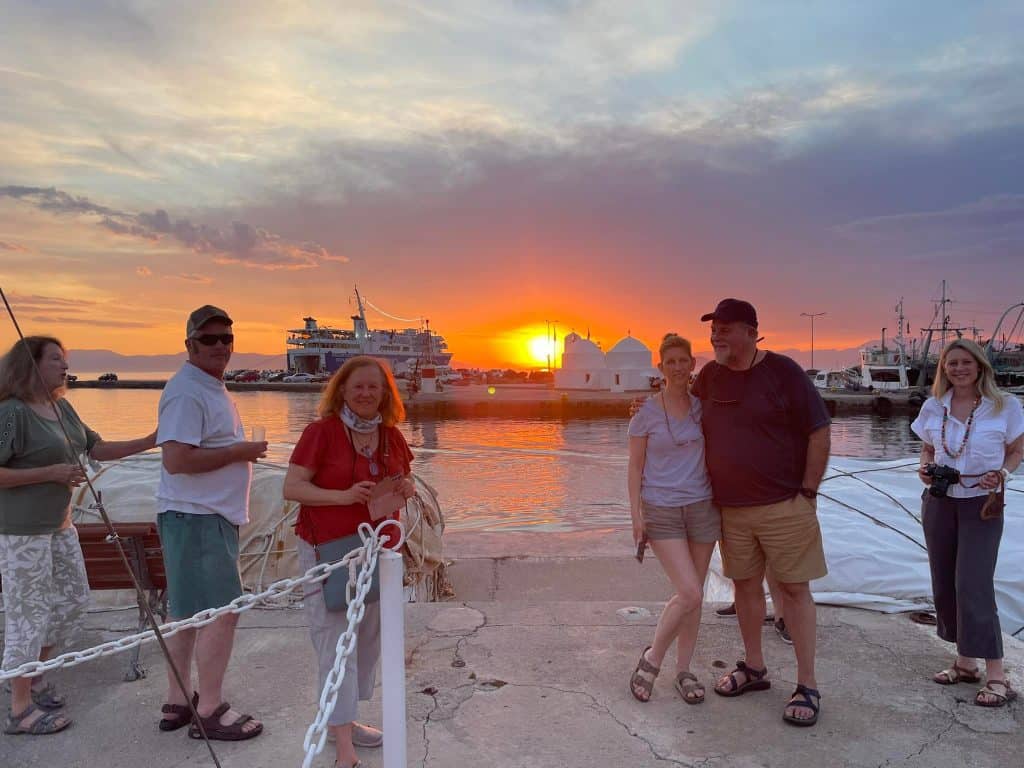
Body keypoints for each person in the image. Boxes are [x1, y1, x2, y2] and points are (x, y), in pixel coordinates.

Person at [0, 336, 155, 735]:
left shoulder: (62, 408)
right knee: (27, 614)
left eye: (64, 359)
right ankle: (19, 709)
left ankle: (33, 674)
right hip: (21, 533)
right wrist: (48, 474)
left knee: (71, 603)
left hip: (60, 525)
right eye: (55, 359)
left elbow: (96, 448)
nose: (64, 366)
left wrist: (151, 440)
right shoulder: (12, 413)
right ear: (29, 365)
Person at [691, 299, 831, 726]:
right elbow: (684, 423)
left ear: (752, 331)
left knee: (793, 591)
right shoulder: (709, 377)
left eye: (726, 328)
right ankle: (754, 667)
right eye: (714, 328)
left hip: (784, 506)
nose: (716, 335)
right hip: (730, 510)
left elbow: (819, 431)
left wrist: (808, 490)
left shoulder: (783, 372)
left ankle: (807, 683)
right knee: (745, 589)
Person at [283, 356, 415, 768]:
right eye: (358, 386)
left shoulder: (390, 436)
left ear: (385, 393)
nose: (366, 393)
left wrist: (404, 488)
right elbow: (292, 487)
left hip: (377, 551)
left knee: (367, 640)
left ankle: (344, 719)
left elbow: (402, 478)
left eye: (374, 387)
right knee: (335, 640)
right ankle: (343, 748)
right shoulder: (320, 433)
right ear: (341, 390)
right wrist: (343, 496)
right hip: (328, 551)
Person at [155, 306, 266, 739]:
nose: (221, 346)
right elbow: (177, 459)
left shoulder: (207, 386)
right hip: (200, 517)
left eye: (226, 339)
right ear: (189, 345)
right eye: (209, 339)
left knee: (186, 614)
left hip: (197, 517)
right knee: (223, 613)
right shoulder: (188, 391)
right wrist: (240, 452)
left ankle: (178, 701)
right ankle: (211, 708)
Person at [910, 339, 1023, 707]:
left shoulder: (1004, 406)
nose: (958, 369)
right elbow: (928, 447)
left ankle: (996, 676)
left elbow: (1017, 449)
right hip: (941, 503)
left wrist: (1002, 473)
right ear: (944, 369)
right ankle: (965, 662)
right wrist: (924, 468)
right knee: (945, 582)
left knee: (973, 582)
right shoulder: (933, 406)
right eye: (951, 363)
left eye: (965, 362)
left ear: (980, 366)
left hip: (982, 504)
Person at [627, 334, 719, 704]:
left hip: (702, 507)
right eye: (671, 362)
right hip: (661, 509)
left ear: (692, 364)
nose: (679, 368)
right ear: (661, 368)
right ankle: (652, 659)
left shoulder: (703, 409)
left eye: (684, 360)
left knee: (693, 598)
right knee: (691, 591)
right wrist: (635, 517)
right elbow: (634, 468)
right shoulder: (645, 414)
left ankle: (684, 670)